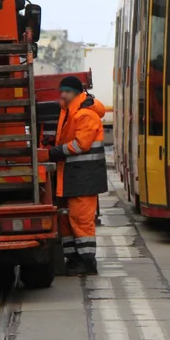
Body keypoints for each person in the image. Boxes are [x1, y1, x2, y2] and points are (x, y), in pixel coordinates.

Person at [49, 76, 107, 276]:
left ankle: (87, 262)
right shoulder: (70, 113)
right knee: (67, 218)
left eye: (66, 91)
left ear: (76, 92)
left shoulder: (84, 115)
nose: (62, 94)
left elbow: (81, 145)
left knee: (81, 218)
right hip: (73, 176)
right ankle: (74, 259)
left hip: (85, 177)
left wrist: (55, 151)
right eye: (61, 91)